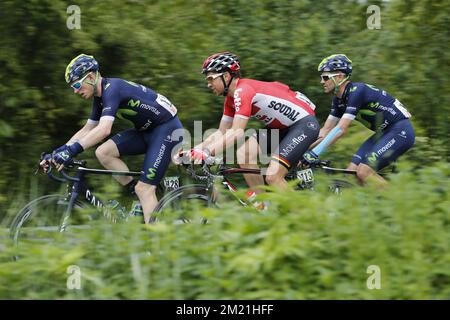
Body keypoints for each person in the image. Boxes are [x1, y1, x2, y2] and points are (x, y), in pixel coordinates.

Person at [40, 54, 183, 223]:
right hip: (147, 131)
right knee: (103, 152)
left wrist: (72, 150)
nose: (75, 91)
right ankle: (135, 193)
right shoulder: (99, 98)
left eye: (77, 84)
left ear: (91, 77)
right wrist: (58, 151)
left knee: (145, 189)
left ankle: (156, 245)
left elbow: (104, 129)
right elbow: (88, 128)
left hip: (167, 130)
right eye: (72, 87)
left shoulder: (112, 89)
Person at [186, 51, 319, 200]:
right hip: (281, 128)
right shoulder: (230, 100)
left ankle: (308, 216)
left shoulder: (243, 91)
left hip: (303, 124)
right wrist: (195, 150)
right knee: (244, 154)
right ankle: (265, 205)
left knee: (273, 176)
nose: (208, 84)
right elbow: (221, 132)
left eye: (211, 79)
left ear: (226, 76)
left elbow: (236, 132)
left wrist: (207, 151)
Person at [303, 54, 415, 187]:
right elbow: (325, 130)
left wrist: (314, 154)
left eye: (325, 77)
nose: (322, 81)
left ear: (339, 76)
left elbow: (341, 129)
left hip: (400, 130)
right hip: (384, 133)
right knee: (351, 173)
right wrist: (301, 150)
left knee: (364, 172)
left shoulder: (357, 91)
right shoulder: (338, 100)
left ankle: (400, 204)